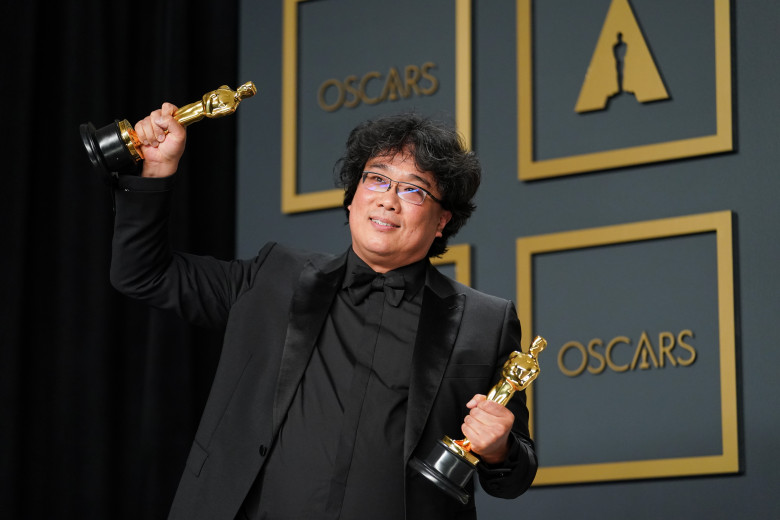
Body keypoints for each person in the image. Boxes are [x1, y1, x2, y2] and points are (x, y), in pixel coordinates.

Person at [111, 103, 538, 519]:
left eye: (413, 189)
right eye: (376, 179)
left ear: (442, 220)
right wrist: (157, 170)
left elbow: (513, 478)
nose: (388, 200)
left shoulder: (484, 323)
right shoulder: (273, 276)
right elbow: (142, 274)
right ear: (352, 199)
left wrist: (499, 448)